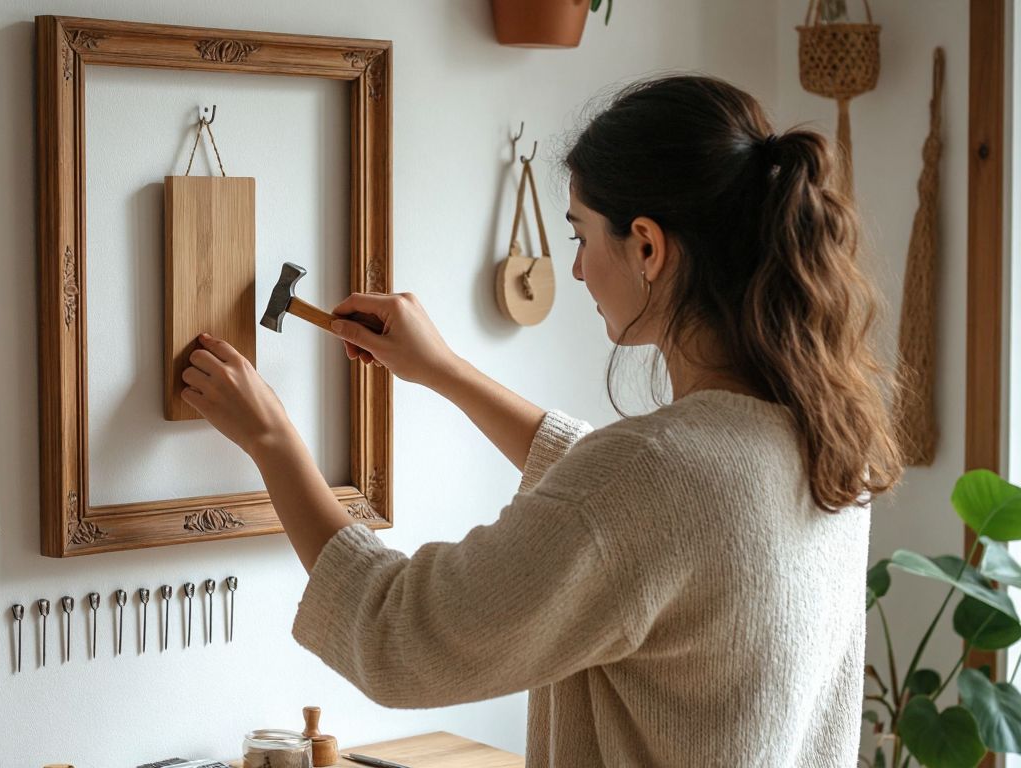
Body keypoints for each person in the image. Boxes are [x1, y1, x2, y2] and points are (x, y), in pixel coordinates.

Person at [179, 74, 901, 767]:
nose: (578, 269)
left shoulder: (656, 478)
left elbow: (398, 632)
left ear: (648, 246)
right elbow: (641, 523)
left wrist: (271, 439)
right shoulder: (824, 443)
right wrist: (445, 371)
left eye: (581, 235)